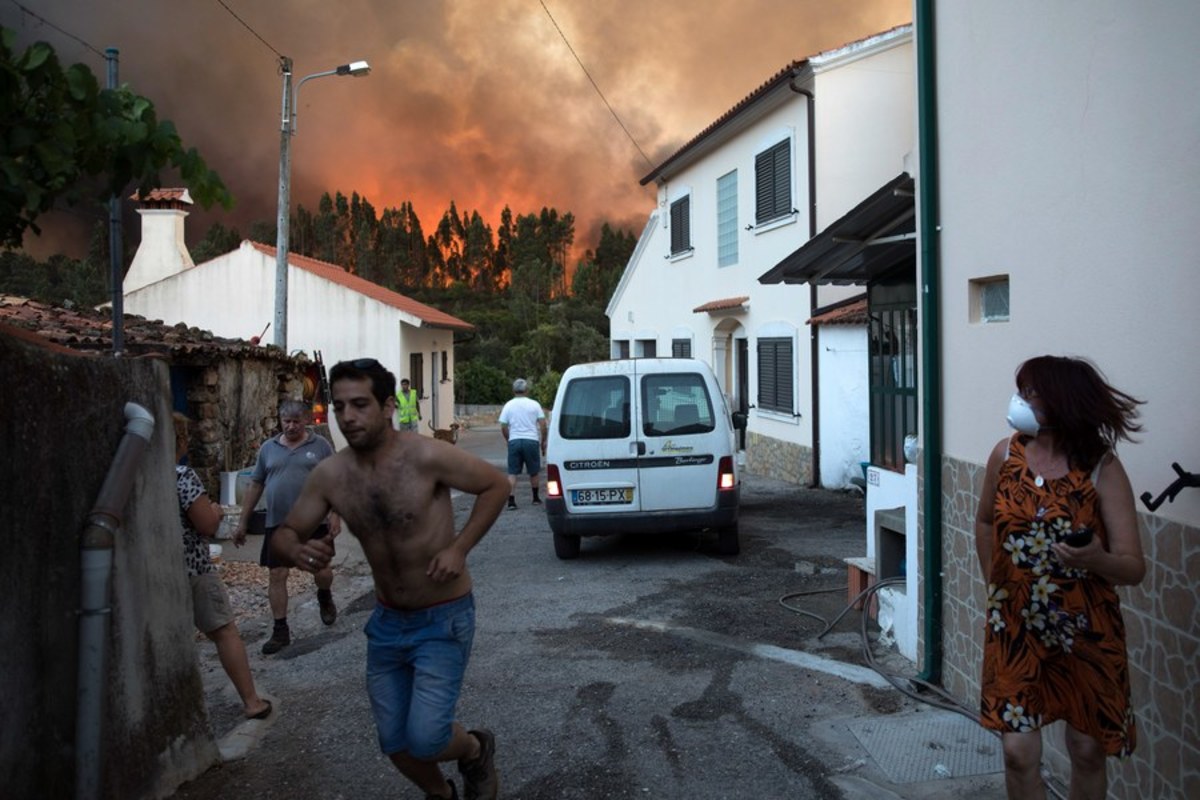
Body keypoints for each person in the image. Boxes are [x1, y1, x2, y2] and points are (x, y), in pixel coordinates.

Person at [271, 358, 508, 800]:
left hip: (442, 617)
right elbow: (285, 533)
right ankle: (440, 794)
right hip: (386, 624)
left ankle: (475, 749)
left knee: (427, 739)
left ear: (387, 407)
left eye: (360, 405)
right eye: (340, 407)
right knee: (394, 742)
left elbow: (496, 485)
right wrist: (298, 550)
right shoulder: (332, 475)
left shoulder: (425, 455)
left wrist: (459, 548)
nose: (348, 417)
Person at [974, 355, 1146, 799]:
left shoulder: (1101, 468)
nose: (1020, 401)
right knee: (1017, 752)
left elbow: (1133, 566)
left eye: (1031, 393)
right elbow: (985, 522)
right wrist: (995, 589)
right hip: (1016, 627)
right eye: (1022, 390)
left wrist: (1095, 560)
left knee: (1087, 750)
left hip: (1086, 629)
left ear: (1063, 402)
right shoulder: (1005, 455)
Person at [172, 413, 272, 720]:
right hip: (193, 567)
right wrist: (214, 511)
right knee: (225, 631)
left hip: (157, 571)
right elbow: (206, 524)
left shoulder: (138, 473)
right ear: (180, 441)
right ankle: (252, 702)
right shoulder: (181, 476)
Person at [234, 400, 341, 655]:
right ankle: (280, 630)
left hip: (314, 522)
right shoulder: (268, 449)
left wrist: (336, 513)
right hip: (277, 524)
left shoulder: (321, 446)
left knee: (322, 572)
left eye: (296, 421)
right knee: (277, 574)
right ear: (280, 420)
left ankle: (324, 595)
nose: (291, 426)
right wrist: (242, 521)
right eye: (286, 421)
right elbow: (256, 484)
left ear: (305, 420)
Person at [497, 378, 547, 510]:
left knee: (512, 472)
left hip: (514, 440)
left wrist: (508, 439)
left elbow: (503, 425)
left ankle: (511, 501)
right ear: (526, 390)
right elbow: (543, 424)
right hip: (531, 440)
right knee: (534, 471)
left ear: (513, 390)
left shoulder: (508, 405)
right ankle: (535, 498)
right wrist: (543, 441)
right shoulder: (534, 404)